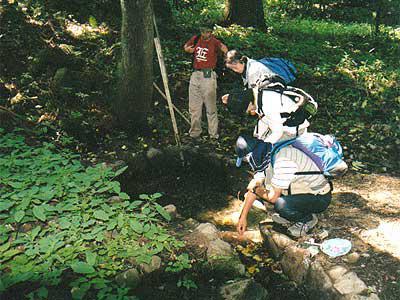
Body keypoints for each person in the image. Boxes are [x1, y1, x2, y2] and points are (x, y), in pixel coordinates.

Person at [234, 135, 332, 237]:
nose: (248, 163)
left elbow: (271, 197)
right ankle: (294, 212)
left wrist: (256, 189)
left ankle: (307, 220)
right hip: (303, 191)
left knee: (281, 204)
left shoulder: (283, 160)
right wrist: (242, 217)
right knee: (271, 192)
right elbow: (252, 188)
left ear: (252, 156)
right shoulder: (267, 155)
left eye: (246, 160)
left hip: (320, 197)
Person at [222, 50, 310, 144]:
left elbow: (254, 95)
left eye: (235, 67)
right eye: (232, 69)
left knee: (272, 130)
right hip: (271, 100)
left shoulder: (253, 71)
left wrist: (252, 108)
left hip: (276, 106)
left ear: (241, 61)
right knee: (263, 129)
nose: (235, 71)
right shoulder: (248, 67)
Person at [184, 26, 228, 141]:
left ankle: (213, 135)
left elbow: (224, 49)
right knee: (194, 107)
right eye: (203, 31)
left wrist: (226, 56)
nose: (205, 34)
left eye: (207, 32)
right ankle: (194, 133)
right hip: (195, 74)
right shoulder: (196, 38)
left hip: (208, 75)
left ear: (211, 32)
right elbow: (186, 47)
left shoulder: (215, 42)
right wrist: (188, 49)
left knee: (210, 107)